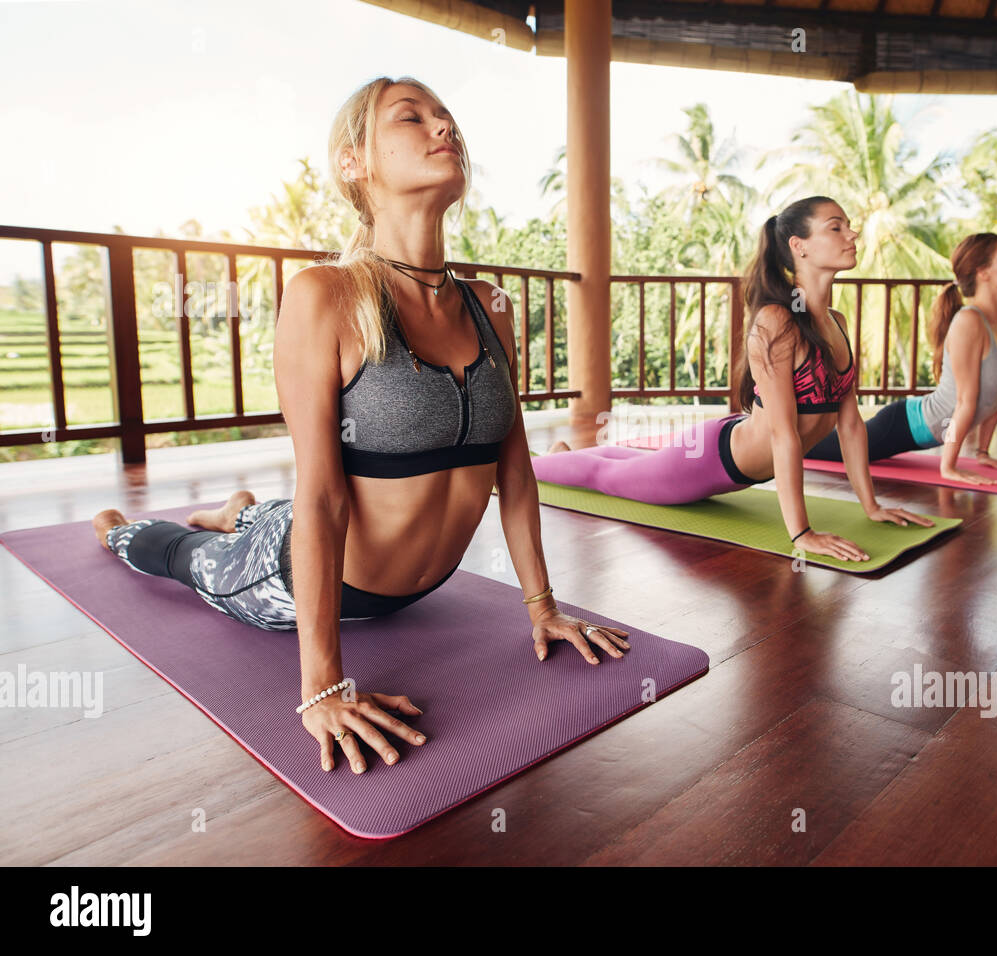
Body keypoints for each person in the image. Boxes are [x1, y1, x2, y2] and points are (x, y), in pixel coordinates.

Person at [91, 76, 629, 777]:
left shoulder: (489, 306)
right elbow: (322, 496)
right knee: (189, 562)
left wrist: (543, 609)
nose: (444, 129)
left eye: (447, 118)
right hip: (291, 579)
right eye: (413, 118)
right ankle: (124, 531)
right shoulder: (326, 297)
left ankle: (240, 511)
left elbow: (515, 472)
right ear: (354, 161)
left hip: (414, 589)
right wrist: (322, 687)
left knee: (270, 515)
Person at [532, 196, 932, 564]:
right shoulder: (776, 321)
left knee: (638, 464)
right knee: (607, 478)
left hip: (728, 441)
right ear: (800, 245)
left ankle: (565, 453)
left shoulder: (837, 322)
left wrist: (872, 505)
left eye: (848, 225)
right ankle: (538, 465)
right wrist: (802, 533)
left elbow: (849, 424)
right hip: (711, 462)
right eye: (836, 227)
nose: (852, 234)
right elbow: (783, 435)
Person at [804, 233, 997, 486]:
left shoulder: (996, 323)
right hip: (905, 425)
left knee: (817, 442)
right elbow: (964, 402)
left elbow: (996, 396)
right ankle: (756, 428)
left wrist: (983, 453)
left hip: (925, 424)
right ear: (983, 272)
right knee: (811, 447)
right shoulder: (969, 321)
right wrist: (949, 466)